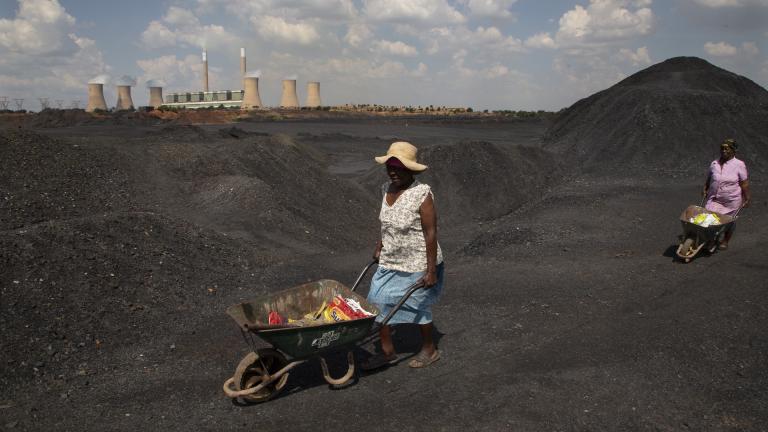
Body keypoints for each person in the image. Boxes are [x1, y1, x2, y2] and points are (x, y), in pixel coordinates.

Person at [362, 141, 445, 370]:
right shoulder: (385, 189)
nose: (393, 172)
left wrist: (430, 271)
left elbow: (431, 232)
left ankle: (429, 349)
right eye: (390, 167)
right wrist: (380, 245)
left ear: (410, 169)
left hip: (418, 260)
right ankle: (387, 352)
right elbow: (386, 222)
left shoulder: (422, 194)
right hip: (391, 258)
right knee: (377, 300)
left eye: (398, 167)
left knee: (416, 306)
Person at [702, 138, 751, 250]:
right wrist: (705, 188)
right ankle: (712, 240)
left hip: (731, 200)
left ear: (733, 151)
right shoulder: (714, 163)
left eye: (727, 148)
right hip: (714, 197)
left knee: (729, 221)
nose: (724, 151)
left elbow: (744, 183)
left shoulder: (739, 164)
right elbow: (710, 177)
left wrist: (747, 197)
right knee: (710, 219)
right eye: (722, 148)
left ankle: (725, 240)